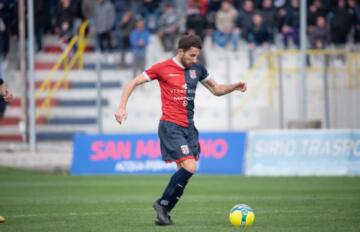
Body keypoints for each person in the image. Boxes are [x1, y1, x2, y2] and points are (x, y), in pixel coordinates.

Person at [114, 34, 247, 226]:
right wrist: (121, 107)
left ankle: (164, 212)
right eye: (191, 55)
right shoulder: (162, 68)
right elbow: (132, 83)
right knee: (190, 167)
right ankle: (161, 204)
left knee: (184, 175)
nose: (195, 60)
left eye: (197, 56)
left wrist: (234, 86)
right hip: (171, 126)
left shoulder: (197, 69)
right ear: (180, 52)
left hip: (189, 128)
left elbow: (216, 89)